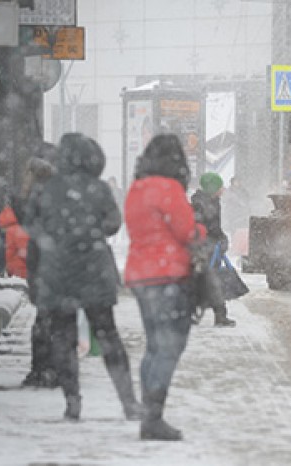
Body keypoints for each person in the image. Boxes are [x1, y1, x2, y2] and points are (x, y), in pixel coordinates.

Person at [24, 133, 141, 421]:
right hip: (94, 271)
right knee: (108, 335)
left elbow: (32, 227)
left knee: (63, 337)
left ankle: (72, 401)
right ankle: (128, 401)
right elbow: (114, 224)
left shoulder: (47, 189)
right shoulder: (99, 188)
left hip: (58, 272)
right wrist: (91, 230)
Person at [124, 134, 207, 441]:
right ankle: (153, 418)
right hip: (168, 276)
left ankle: (149, 412)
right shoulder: (169, 189)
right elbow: (187, 231)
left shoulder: (137, 188)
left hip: (141, 276)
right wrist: (202, 228)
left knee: (155, 346)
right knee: (169, 347)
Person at [17, 150, 58, 388]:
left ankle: (41, 368)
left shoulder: (28, 195)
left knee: (43, 317)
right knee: (51, 318)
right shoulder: (50, 194)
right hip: (49, 260)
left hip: (39, 259)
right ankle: (48, 368)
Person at [191, 172, 237, 328]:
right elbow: (207, 226)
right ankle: (218, 315)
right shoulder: (202, 203)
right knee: (210, 281)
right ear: (212, 188)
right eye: (219, 186)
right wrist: (219, 238)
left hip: (210, 246)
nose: (223, 189)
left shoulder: (211, 201)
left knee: (209, 280)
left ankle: (217, 314)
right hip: (206, 247)